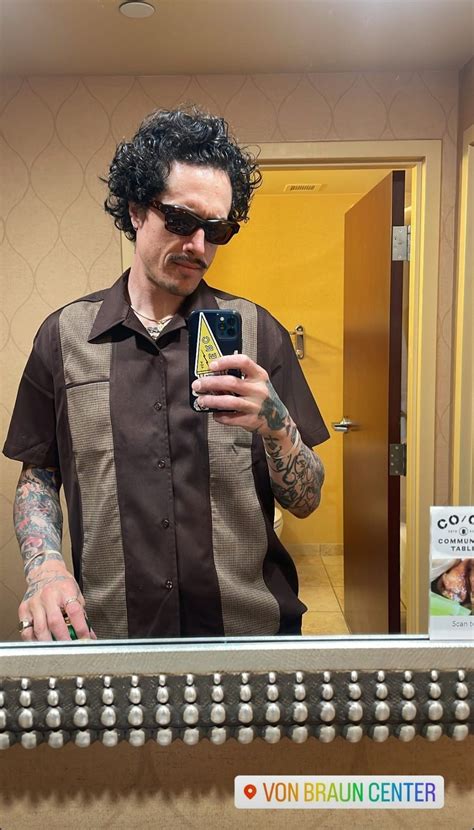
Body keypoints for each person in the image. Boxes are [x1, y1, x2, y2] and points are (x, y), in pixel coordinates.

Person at [4, 107, 329, 642]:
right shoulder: (64, 337)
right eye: (180, 220)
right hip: (110, 634)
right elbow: (40, 472)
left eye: (217, 229)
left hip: (248, 637)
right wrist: (45, 566)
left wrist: (275, 423)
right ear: (136, 211)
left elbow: (307, 499)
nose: (199, 246)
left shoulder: (260, 334)